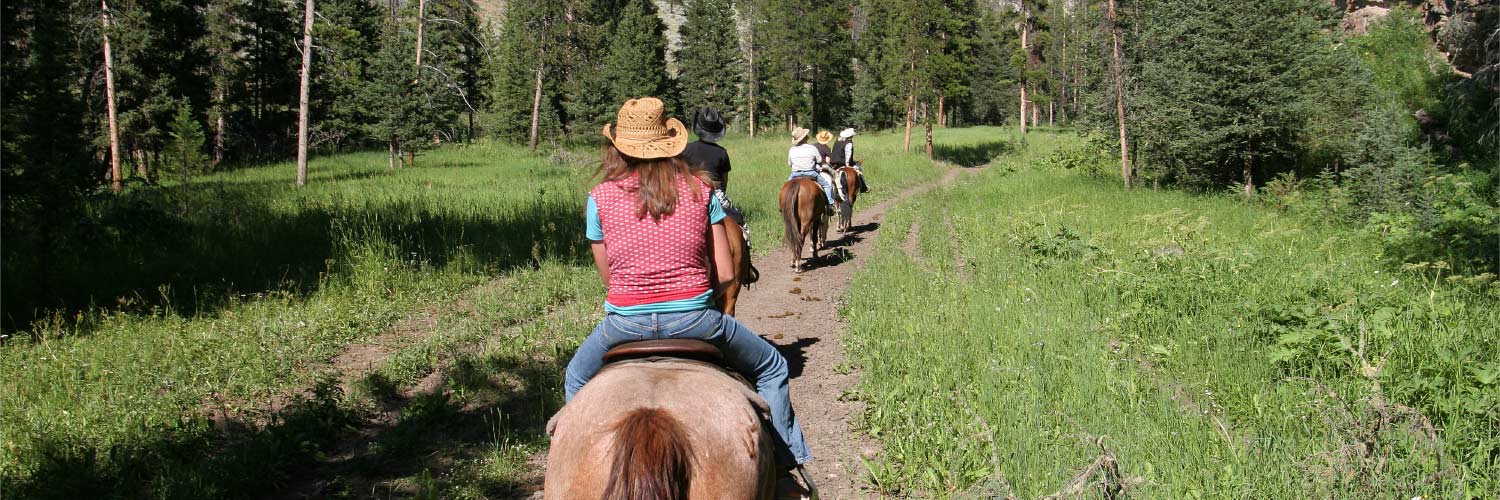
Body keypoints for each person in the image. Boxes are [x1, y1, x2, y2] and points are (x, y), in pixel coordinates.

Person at [562, 97, 813, 490]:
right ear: (669, 142)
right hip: (697, 320)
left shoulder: (600, 198)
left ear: (618, 147)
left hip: (623, 323)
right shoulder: (701, 189)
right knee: (772, 367)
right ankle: (787, 461)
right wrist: (692, 296)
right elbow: (727, 273)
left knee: (576, 379)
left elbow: (609, 280)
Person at [787, 127, 839, 210]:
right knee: (826, 185)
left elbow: (790, 164)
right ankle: (830, 204)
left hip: (795, 174)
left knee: (786, 188)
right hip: (810, 173)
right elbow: (819, 160)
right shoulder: (812, 148)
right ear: (805, 138)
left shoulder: (792, 149)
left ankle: (784, 206)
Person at [831, 127, 869, 193]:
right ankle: (864, 187)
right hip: (843, 163)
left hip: (833, 164)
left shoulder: (836, 141)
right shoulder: (849, 143)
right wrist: (847, 165)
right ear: (850, 136)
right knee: (858, 168)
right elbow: (848, 156)